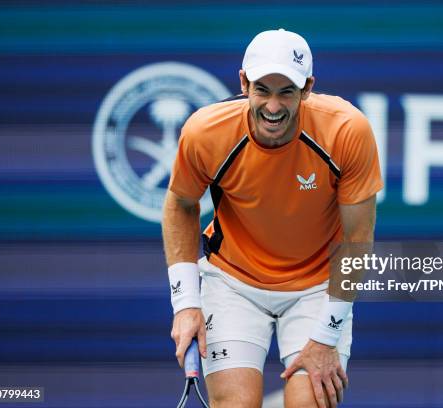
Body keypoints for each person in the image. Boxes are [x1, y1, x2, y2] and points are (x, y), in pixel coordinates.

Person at [163, 29, 383, 408]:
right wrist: (186, 304)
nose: (273, 106)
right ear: (244, 83)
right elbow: (180, 204)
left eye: (287, 92)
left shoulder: (347, 130)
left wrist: (327, 336)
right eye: (263, 89)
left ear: (308, 88)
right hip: (233, 281)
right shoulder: (205, 132)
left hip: (318, 286)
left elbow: (358, 241)